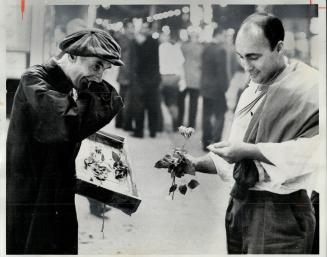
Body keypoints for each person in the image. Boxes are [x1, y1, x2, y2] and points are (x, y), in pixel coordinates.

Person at [183, 13, 319, 254]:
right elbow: (235, 154)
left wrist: (251, 150)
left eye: (253, 57)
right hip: (241, 204)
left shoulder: (309, 88)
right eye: (241, 57)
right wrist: (194, 164)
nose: (246, 66)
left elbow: (315, 152)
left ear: (278, 48)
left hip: (281, 213)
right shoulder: (252, 90)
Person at [6, 28, 124, 254]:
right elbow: (69, 121)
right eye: (96, 66)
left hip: (55, 186)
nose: (99, 77)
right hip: (33, 189)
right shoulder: (33, 79)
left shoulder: (67, 82)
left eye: (104, 69)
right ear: (71, 56)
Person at [200, 27, 229, 151]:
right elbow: (221, 72)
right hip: (217, 88)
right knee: (220, 115)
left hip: (205, 87)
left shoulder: (206, 49)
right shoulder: (221, 50)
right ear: (218, 35)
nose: (225, 38)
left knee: (206, 115)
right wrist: (225, 87)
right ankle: (216, 142)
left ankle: (205, 141)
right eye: (224, 35)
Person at [132, 23, 161, 138]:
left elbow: (141, 61)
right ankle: (153, 131)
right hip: (154, 79)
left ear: (148, 29)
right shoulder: (155, 42)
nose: (143, 30)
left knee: (140, 106)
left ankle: (139, 132)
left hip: (142, 79)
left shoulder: (142, 43)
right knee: (152, 106)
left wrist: (138, 44)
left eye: (144, 28)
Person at [159, 31, 185, 132]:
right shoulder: (176, 48)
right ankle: (175, 125)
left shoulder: (159, 48)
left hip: (162, 77)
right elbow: (181, 64)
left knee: (159, 102)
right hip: (174, 78)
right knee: (172, 103)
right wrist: (182, 79)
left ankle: (159, 125)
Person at [178, 29, 203, 128]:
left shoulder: (183, 46)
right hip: (196, 79)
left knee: (180, 102)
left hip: (183, 78)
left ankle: (179, 122)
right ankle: (191, 124)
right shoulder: (201, 48)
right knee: (194, 104)